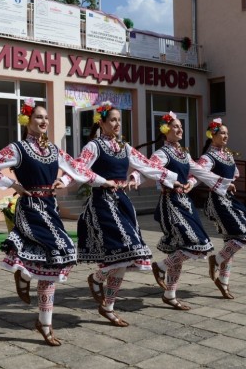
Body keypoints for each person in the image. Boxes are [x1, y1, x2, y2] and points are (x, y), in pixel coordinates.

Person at [0, 99, 112, 347]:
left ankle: (39, 310)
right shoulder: (18, 149)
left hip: (50, 209)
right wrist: (13, 184)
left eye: (46, 118)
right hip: (30, 208)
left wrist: (68, 180)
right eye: (38, 117)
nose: (43, 121)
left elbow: (77, 167)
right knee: (58, 253)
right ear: (27, 121)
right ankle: (42, 315)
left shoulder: (53, 150)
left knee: (56, 262)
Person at [66, 103, 181, 327]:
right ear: (101, 122)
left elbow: (146, 165)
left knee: (127, 255)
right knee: (126, 250)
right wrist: (97, 181)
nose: (117, 124)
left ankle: (105, 298)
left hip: (122, 203)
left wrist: (169, 179)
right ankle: (102, 289)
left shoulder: (124, 147)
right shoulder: (94, 146)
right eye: (113, 120)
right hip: (102, 203)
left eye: (119, 120)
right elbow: (79, 169)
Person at [136, 112, 234, 310]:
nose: (180, 129)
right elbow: (148, 168)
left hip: (184, 202)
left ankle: (170, 294)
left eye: (181, 126)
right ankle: (161, 266)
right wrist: (134, 179)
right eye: (175, 126)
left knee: (183, 248)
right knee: (195, 244)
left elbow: (199, 171)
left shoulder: (183, 153)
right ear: (165, 130)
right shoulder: (162, 154)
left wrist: (214, 183)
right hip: (170, 202)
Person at [197, 118, 246, 299]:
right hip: (217, 201)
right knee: (243, 235)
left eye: (227, 133)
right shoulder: (207, 157)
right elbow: (200, 172)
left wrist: (229, 185)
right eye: (222, 133)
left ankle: (223, 282)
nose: (226, 136)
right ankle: (216, 259)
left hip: (230, 200)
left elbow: (234, 174)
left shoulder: (227, 155)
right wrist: (222, 184)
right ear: (213, 135)